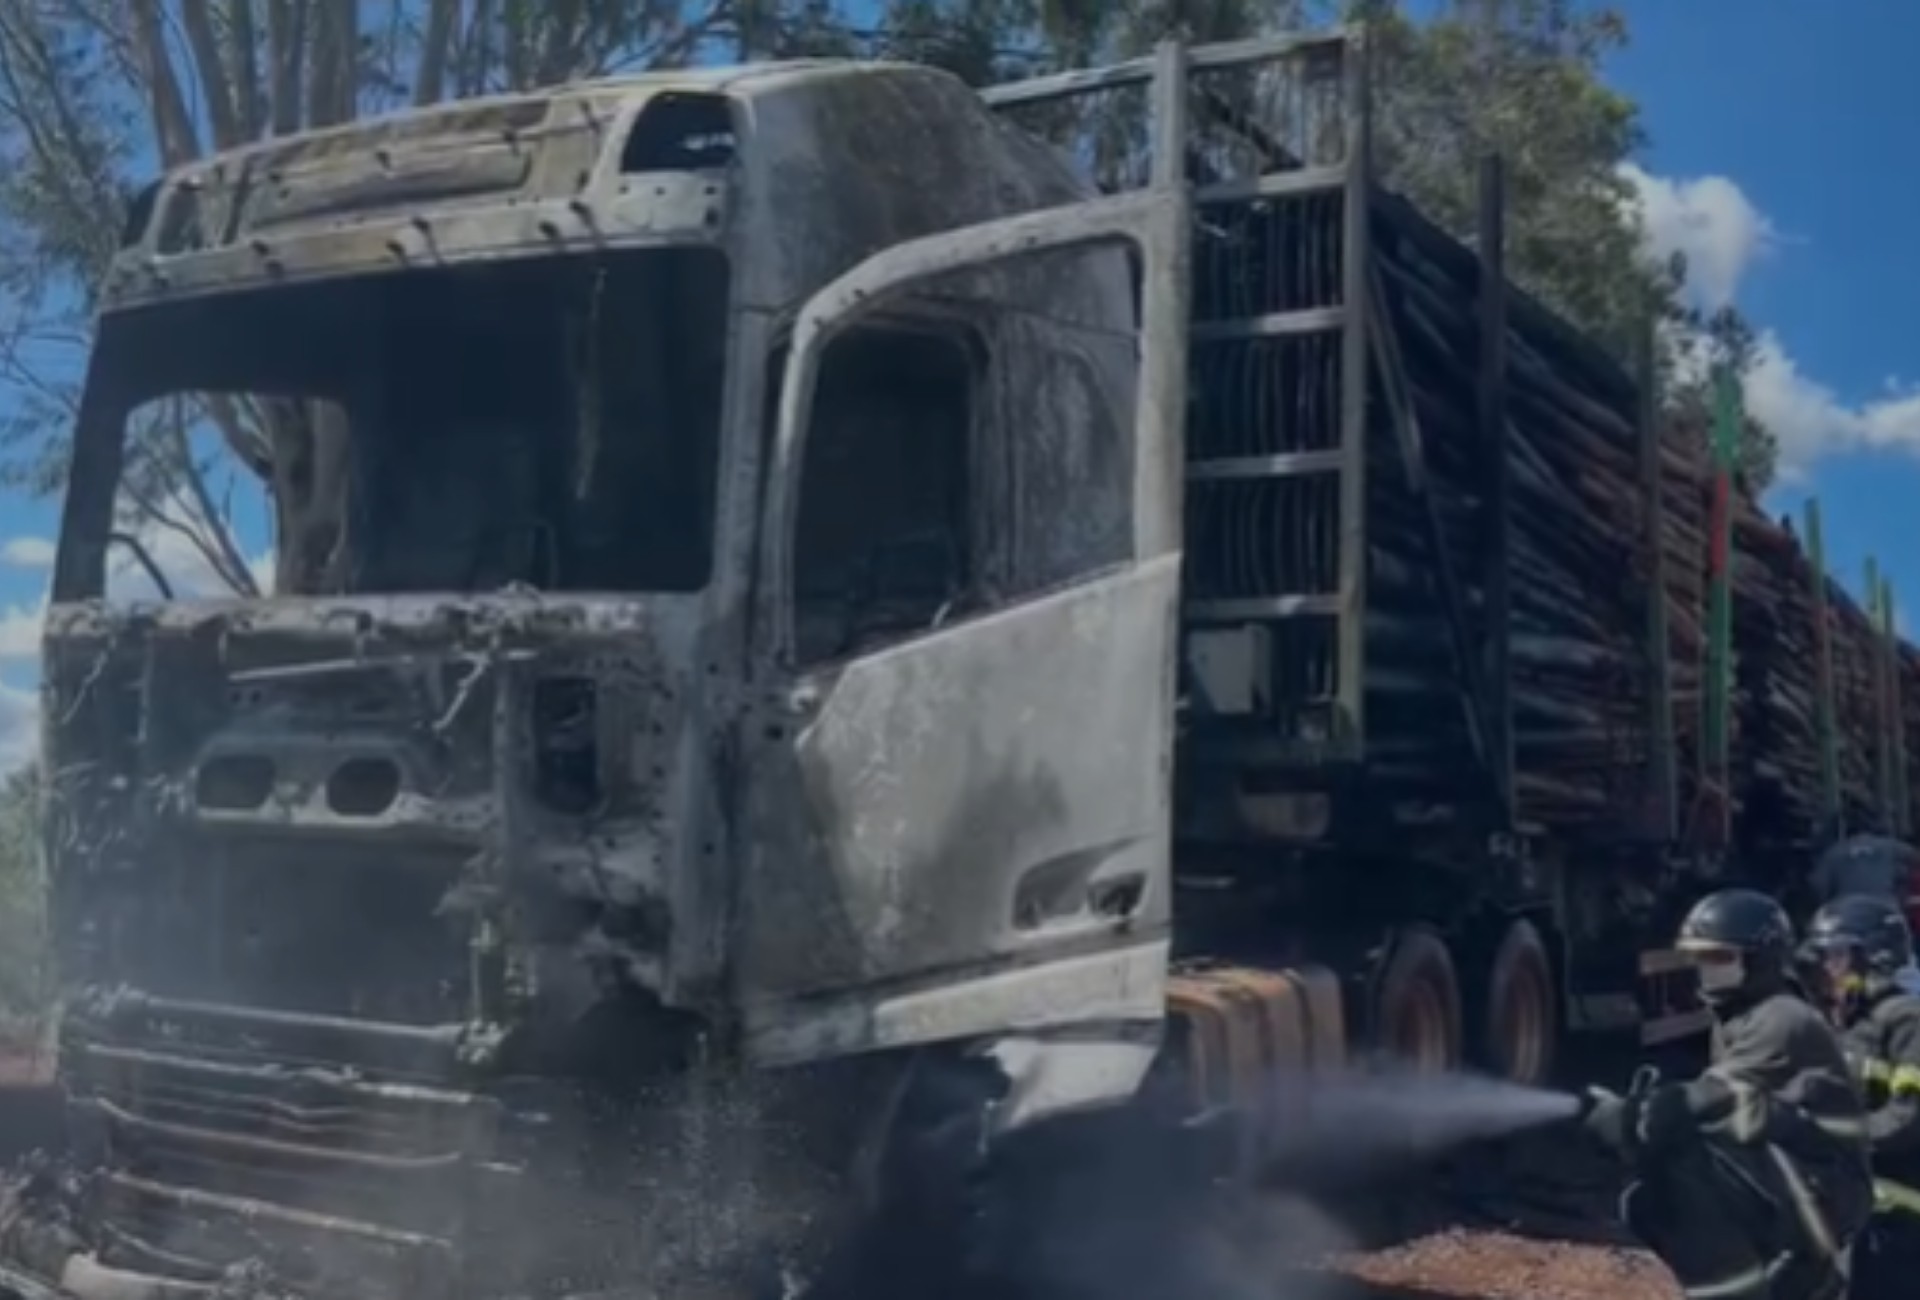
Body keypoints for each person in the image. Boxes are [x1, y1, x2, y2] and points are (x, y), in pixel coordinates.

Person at [1582, 888, 1873, 1300]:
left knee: (1685, 1165)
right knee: (1651, 1196)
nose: (1705, 969)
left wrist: (1632, 1116)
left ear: (1760, 960)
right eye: (1700, 957)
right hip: (1805, 1174)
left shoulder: (1782, 1019)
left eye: (1720, 958)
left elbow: (1708, 1099)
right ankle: (1796, 1281)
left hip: (1833, 1187)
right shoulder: (1741, 1015)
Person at [1802, 893, 1920, 1297]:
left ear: (1875, 959)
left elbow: (1909, 1117)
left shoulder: (1906, 1020)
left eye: (1836, 957)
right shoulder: (1843, 1025)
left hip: (1901, 1223)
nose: (1825, 969)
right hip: (1850, 1214)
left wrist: (1836, 1137)